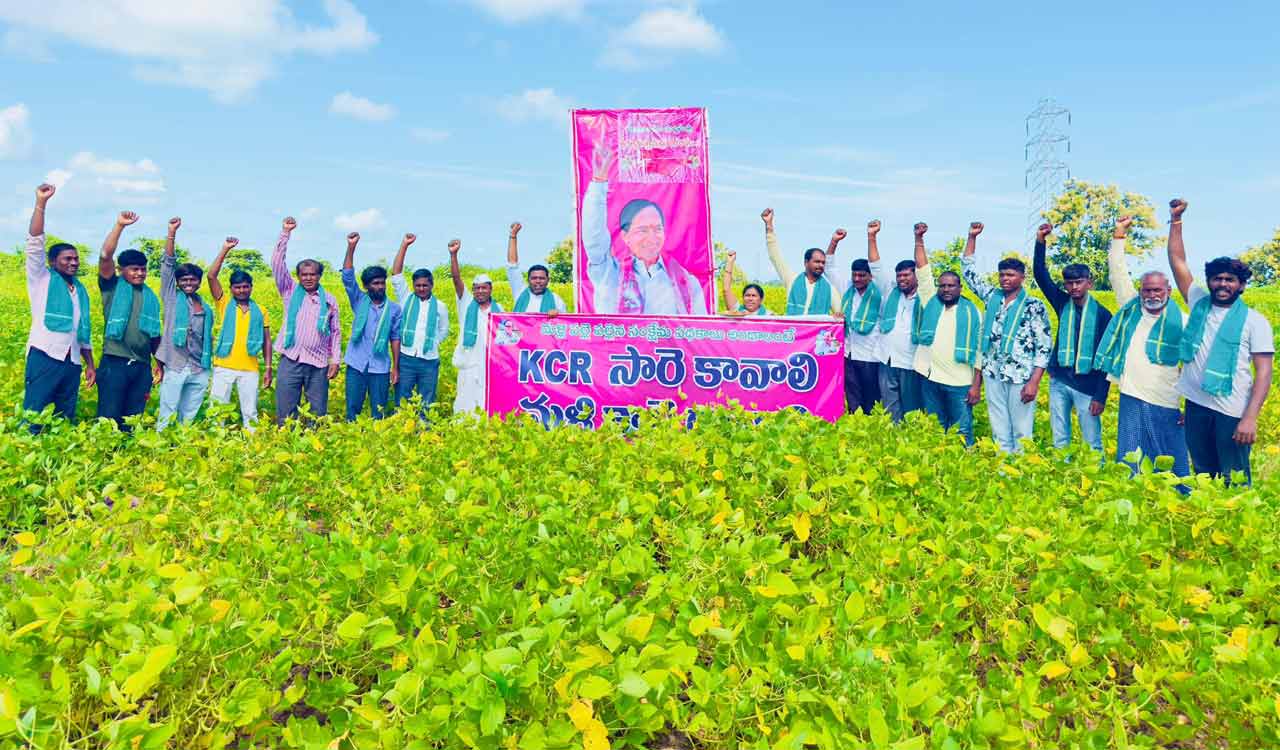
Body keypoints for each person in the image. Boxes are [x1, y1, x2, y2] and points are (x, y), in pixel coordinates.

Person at [1166, 199, 1273, 484]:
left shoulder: (1255, 321)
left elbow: (1264, 374)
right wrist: (1176, 221)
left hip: (1232, 410)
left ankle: (1239, 528)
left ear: (1241, 285)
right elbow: (1177, 261)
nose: (1222, 284)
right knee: (1203, 475)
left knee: (1235, 478)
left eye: (1229, 279)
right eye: (1216, 279)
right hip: (1197, 406)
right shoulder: (1199, 302)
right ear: (1209, 282)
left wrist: (1249, 418)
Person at [1095, 215, 1190, 478]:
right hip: (1132, 396)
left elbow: (1194, 365)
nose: (1152, 295)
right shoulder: (1131, 309)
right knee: (1131, 460)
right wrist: (1119, 236)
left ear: (1168, 291)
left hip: (1167, 400)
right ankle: (1133, 496)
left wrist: (1190, 407)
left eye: (1157, 290)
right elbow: (1117, 273)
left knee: (1172, 462)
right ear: (1140, 291)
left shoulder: (1182, 321)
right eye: (1147, 290)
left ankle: (1180, 498)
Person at [582, 137, 707, 315]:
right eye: (642, 230)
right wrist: (599, 181)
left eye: (657, 229)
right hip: (620, 343)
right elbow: (594, 239)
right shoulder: (609, 274)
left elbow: (698, 333)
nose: (652, 237)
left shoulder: (686, 282)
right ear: (625, 236)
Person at [962, 222, 1052, 453]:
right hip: (993, 373)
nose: (1005, 279)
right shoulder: (992, 297)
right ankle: (1005, 473)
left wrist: (1034, 382)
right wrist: (972, 238)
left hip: (1021, 376)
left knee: (1022, 430)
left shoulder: (1034, 306)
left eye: (1010, 275)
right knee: (999, 427)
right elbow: (968, 272)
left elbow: (1044, 348)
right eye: (1002, 275)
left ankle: (1021, 474)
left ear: (1022, 277)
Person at [1032, 223, 1113, 451]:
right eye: (1069, 282)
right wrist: (1040, 241)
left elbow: (1107, 358)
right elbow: (1040, 274)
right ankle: (1063, 479)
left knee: (1092, 442)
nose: (1074, 287)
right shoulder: (1061, 302)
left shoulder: (1104, 315)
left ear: (1090, 282)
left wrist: (1101, 395)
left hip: (1088, 387)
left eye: (1079, 282)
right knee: (1060, 440)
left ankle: (1095, 482)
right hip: (1059, 381)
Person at [22, 183, 96, 432]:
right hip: (45, 355)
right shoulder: (41, 279)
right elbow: (34, 244)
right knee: (35, 412)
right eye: (68, 259)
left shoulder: (80, 291)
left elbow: (83, 333)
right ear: (53, 262)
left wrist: (90, 365)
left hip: (72, 361)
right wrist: (41, 203)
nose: (73, 262)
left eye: (76, 258)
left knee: (65, 416)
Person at [271, 216, 341, 423]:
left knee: (317, 412)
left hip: (318, 363)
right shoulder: (289, 290)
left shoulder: (329, 300)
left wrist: (335, 360)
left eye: (312, 274)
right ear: (298, 276)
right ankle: (285, 444)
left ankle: (314, 448)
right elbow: (277, 263)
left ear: (319, 276)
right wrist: (286, 232)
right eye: (304, 274)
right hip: (290, 358)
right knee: (286, 409)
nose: (308, 278)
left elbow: (335, 332)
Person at [97, 209, 161, 431]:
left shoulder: (150, 296)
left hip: (142, 366)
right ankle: (106, 457)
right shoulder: (112, 286)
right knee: (109, 418)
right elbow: (105, 256)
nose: (140, 274)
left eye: (143, 269)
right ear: (120, 270)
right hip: (115, 361)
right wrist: (120, 226)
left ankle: (127, 458)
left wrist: (158, 363)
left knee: (133, 420)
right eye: (134, 269)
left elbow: (154, 335)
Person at [206, 236, 273, 430]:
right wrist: (225, 249)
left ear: (251, 287)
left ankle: (251, 449)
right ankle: (215, 446)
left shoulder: (261, 310)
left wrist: (268, 368)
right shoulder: (224, 303)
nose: (242, 290)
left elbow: (266, 341)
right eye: (237, 287)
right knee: (217, 411)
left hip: (250, 368)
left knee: (250, 412)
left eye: (245, 286)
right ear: (231, 289)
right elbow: (211, 276)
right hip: (224, 366)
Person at [156, 217, 215, 429]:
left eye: (192, 280)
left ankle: (182, 447)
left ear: (199, 282)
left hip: (199, 365)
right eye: (184, 280)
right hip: (176, 364)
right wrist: (171, 232)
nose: (188, 283)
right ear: (178, 283)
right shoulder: (172, 297)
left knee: (189, 413)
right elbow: (168, 264)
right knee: (167, 410)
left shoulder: (204, 305)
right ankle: (160, 446)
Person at [874, 221, 936, 422]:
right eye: (898, 276)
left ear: (915, 276)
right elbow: (875, 267)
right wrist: (871, 236)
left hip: (911, 362)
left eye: (906, 275)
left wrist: (919, 239)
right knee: (890, 409)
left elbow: (925, 271)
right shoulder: (890, 292)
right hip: (887, 360)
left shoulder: (926, 296)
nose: (901, 279)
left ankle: (911, 444)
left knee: (911, 410)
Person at [913, 271, 984, 446]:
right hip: (931, 379)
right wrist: (919, 242)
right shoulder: (932, 305)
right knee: (935, 427)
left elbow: (980, 352)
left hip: (960, 384)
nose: (946, 289)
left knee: (961, 430)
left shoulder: (972, 312)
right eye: (942, 285)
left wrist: (976, 386)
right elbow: (922, 273)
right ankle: (939, 465)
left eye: (951, 285)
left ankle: (965, 466)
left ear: (960, 288)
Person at [341, 232, 402, 421]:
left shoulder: (393, 309)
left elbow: (395, 338)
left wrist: (396, 367)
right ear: (367, 286)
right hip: (356, 364)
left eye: (383, 283)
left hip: (380, 367)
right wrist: (351, 247)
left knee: (379, 412)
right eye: (376, 283)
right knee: (353, 410)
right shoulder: (359, 300)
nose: (381, 287)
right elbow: (348, 277)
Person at [391, 232, 450, 417]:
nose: (421, 289)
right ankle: (401, 430)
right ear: (413, 285)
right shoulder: (406, 298)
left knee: (427, 400)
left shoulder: (440, 306)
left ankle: (424, 435)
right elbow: (396, 274)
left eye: (425, 285)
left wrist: (433, 342)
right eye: (418, 285)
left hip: (429, 360)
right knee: (403, 398)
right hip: (407, 358)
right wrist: (404, 245)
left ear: (432, 285)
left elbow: (444, 330)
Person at [839, 221, 887, 414]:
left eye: (861, 275)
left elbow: (877, 266)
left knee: (872, 400)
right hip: (849, 354)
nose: (857, 279)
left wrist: (872, 237)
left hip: (870, 357)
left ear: (870, 276)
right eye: (854, 275)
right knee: (852, 398)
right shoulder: (847, 293)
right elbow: (831, 267)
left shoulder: (881, 295)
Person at [449, 239, 502, 413]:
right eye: (477, 288)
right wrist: (454, 255)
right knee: (465, 400)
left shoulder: (499, 310)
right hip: (468, 363)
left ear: (490, 289)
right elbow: (456, 279)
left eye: (484, 288)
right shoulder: (465, 304)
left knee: (487, 401)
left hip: (490, 364)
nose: (480, 291)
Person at [762, 208, 845, 317]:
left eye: (823, 263)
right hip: (792, 332)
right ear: (806, 262)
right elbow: (775, 256)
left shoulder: (829, 289)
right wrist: (769, 225)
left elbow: (840, 314)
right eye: (817, 262)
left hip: (816, 334)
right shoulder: (792, 279)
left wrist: (838, 316)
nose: (821, 265)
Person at [506, 222, 566, 314]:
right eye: (534, 278)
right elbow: (512, 265)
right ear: (528, 280)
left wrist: (557, 315)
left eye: (541, 278)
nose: (538, 281)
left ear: (548, 280)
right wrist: (513, 236)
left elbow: (565, 324)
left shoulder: (556, 300)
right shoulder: (520, 291)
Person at [721, 250, 772, 316]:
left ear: (761, 299)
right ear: (743, 297)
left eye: (754, 296)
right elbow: (726, 289)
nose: (750, 299)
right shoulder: (737, 310)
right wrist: (730, 262)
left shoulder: (768, 315)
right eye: (747, 295)